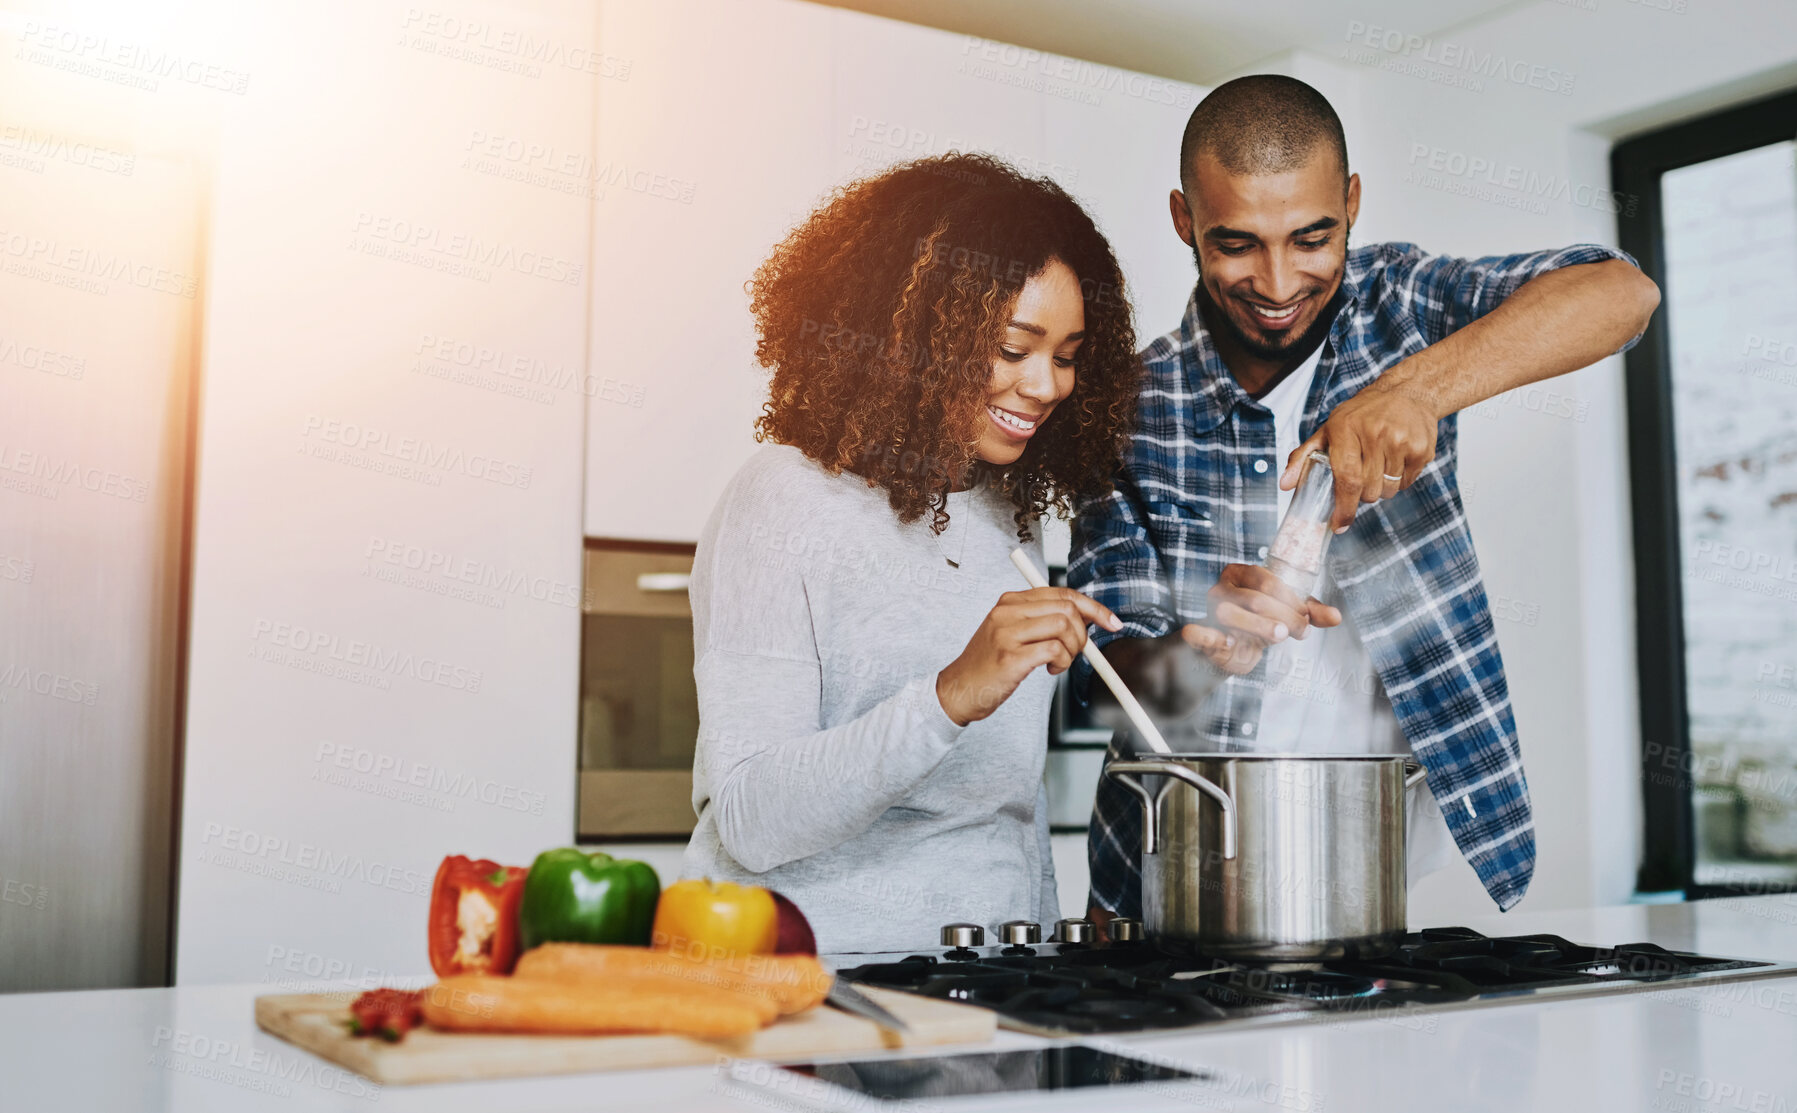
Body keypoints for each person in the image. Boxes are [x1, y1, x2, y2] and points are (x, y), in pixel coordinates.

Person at [1073, 75, 1660, 930]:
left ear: (1351, 203)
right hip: (1174, 873)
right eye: (1235, 243)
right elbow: (1100, 692)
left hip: (1369, 854)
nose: (1277, 283)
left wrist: (1417, 389)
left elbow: (1620, 295)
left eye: (1311, 237)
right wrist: (1201, 652)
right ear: (1182, 220)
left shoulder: (1403, 305)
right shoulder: (1127, 406)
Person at [682, 152, 1143, 953]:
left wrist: (1047, 964)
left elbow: (1005, 810)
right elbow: (751, 817)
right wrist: (953, 692)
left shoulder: (1006, 510)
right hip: (815, 986)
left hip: (993, 989)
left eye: (1067, 356)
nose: (1044, 385)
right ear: (913, 336)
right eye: (1011, 348)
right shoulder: (782, 500)